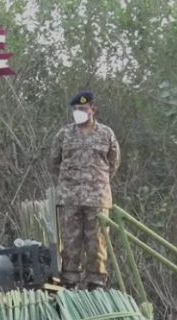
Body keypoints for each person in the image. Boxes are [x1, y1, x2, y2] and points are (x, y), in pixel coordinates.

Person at [51, 91, 120, 290]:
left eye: (83, 109)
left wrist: (97, 183)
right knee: (71, 242)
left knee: (97, 243)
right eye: (76, 109)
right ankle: (70, 280)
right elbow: (54, 162)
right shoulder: (64, 134)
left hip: (97, 198)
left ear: (93, 110)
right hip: (70, 197)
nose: (79, 112)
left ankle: (96, 282)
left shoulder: (106, 134)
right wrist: (69, 183)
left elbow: (114, 163)